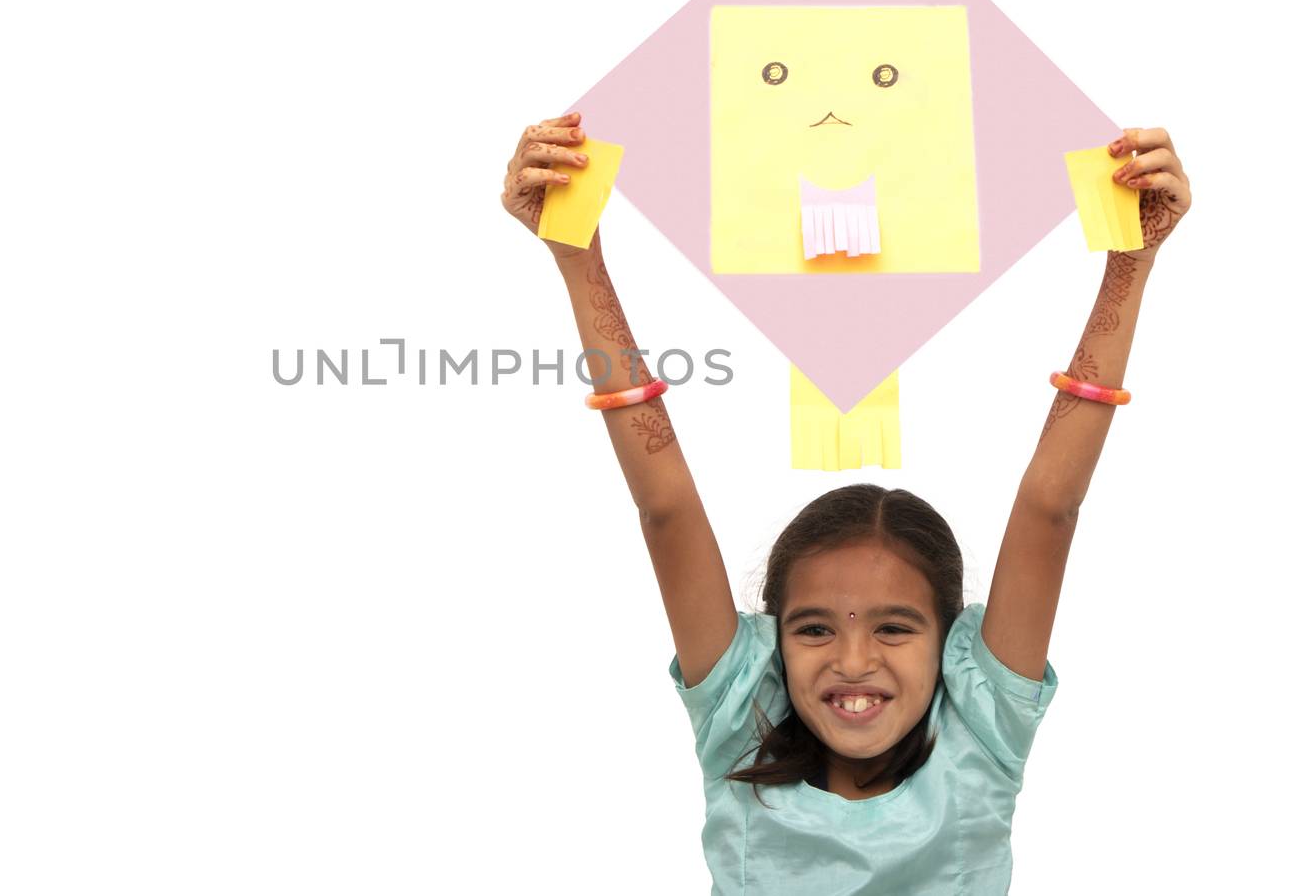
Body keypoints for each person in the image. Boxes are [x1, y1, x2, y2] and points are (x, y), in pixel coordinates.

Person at [498, 112, 1192, 894]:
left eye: (894, 627)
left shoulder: (980, 727)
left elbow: (1050, 506)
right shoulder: (742, 720)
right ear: (772, 641)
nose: (853, 661)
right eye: (815, 627)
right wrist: (576, 253)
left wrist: (1130, 264)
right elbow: (664, 505)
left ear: (953, 642)